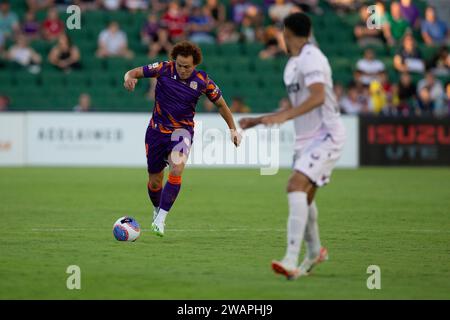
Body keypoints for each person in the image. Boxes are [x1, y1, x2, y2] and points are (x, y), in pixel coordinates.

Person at [239, 13, 346, 279]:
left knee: (295, 186)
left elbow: (319, 96)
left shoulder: (312, 57)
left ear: (286, 33)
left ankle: (290, 260)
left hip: (326, 136)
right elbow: (298, 103)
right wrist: (259, 120)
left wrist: (283, 116)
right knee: (306, 197)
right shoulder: (292, 64)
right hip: (305, 141)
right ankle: (315, 251)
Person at [123, 41, 242, 237]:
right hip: (156, 132)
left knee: (177, 169)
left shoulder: (203, 81)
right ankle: (156, 209)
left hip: (182, 132)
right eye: (179, 65)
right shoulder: (163, 68)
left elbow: (222, 105)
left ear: (195, 65)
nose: (182, 69)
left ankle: (161, 219)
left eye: (187, 66)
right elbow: (132, 72)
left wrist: (233, 129)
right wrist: (129, 78)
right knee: (154, 182)